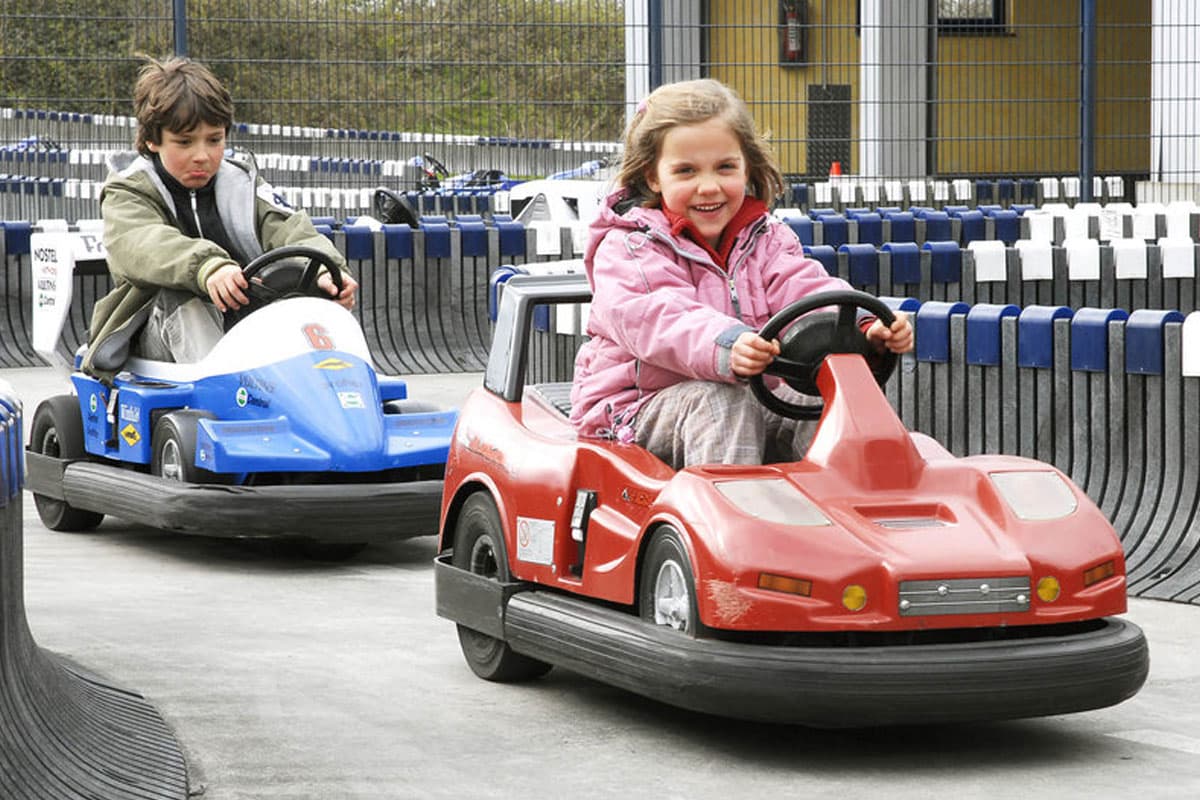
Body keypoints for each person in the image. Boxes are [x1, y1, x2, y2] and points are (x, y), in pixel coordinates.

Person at [569, 78, 913, 468]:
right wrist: (727, 345)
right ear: (653, 177)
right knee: (720, 402)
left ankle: (854, 511)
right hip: (635, 413)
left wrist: (865, 329)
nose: (709, 186)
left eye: (725, 167)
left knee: (829, 396)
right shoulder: (630, 245)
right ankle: (730, 523)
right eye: (686, 171)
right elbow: (657, 317)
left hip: (755, 400)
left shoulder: (766, 237)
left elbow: (803, 290)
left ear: (746, 166)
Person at [84, 55, 358, 377]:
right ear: (151, 140)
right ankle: (220, 395)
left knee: (308, 295)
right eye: (184, 142)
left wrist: (329, 272)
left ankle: (339, 390)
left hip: (247, 331)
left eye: (214, 140)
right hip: (156, 339)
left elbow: (288, 227)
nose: (202, 155)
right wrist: (208, 267)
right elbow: (143, 244)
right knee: (186, 298)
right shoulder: (128, 191)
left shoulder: (242, 184)